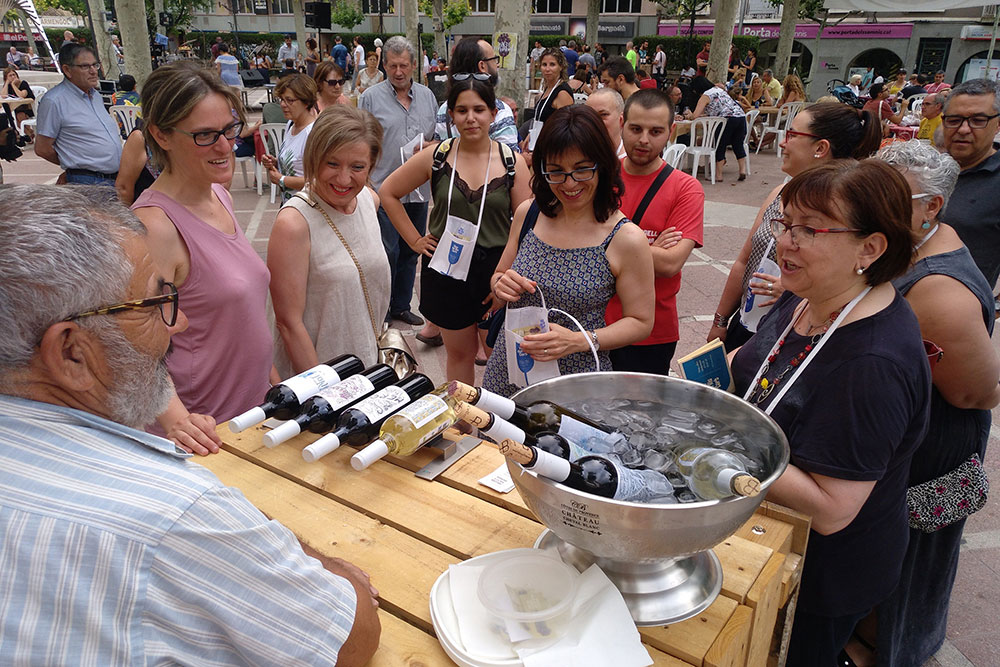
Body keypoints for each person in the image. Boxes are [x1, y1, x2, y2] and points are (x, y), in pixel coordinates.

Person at [0, 184, 381, 666]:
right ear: (72, 353)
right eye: (155, 302)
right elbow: (349, 638)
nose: (178, 324)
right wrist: (315, 560)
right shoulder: (176, 513)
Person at [731, 160, 931, 666]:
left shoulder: (872, 364)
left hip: (821, 574)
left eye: (811, 229)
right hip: (765, 532)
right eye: (786, 223)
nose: (787, 242)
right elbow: (759, 362)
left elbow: (830, 510)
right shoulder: (810, 293)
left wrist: (725, 432)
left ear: (870, 248)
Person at [849, 141, 1000, 667]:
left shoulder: (939, 290)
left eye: (888, 196)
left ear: (931, 207)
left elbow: (976, 392)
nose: (868, 205)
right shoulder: (909, 243)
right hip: (905, 433)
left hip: (931, 446)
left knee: (902, 558)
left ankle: (879, 645)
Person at [133, 61, 273, 454]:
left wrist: (271, 377)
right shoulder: (154, 227)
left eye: (229, 129)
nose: (226, 146)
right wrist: (178, 422)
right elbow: (132, 343)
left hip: (250, 415)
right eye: (205, 135)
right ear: (161, 134)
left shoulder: (219, 195)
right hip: (205, 435)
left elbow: (239, 313)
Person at [483, 105, 655, 396]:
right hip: (510, 368)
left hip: (576, 383)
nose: (570, 183)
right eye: (556, 172)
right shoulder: (529, 214)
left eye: (582, 169)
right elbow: (499, 275)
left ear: (603, 164)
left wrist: (578, 340)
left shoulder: (624, 238)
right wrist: (500, 284)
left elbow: (641, 322)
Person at [381, 77, 531, 384]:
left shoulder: (512, 162)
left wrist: (509, 275)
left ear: (493, 113)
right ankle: (462, 413)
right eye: (462, 110)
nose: (470, 118)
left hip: (496, 272)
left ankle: (500, 413)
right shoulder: (438, 156)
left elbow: (525, 225)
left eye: (479, 109)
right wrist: (415, 240)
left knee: (502, 358)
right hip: (447, 268)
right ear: (451, 115)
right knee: (460, 356)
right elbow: (388, 192)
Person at [708, 102, 883, 349]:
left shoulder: (848, 213)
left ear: (820, 148)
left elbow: (857, 285)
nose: (782, 143)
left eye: (792, 135)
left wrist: (797, 295)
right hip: (747, 325)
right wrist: (721, 320)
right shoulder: (780, 193)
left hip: (793, 335)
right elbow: (745, 261)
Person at [269, 105, 391, 376]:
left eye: (357, 167)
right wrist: (325, 390)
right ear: (314, 158)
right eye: (332, 164)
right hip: (319, 375)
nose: (344, 178)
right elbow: (288, 323)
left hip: (367, 367)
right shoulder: (294, 223)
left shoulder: (369, 201)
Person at [606, 90, 704, 373]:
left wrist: (601, 243)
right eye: (636, 129)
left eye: (656, 131)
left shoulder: (685, 189)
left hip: (651, 333)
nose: (644, 140)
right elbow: (573, 243)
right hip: (594, 321)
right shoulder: (599, 177)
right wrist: (647, 250)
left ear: (671, 131)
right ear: (622, 124)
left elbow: (670, 264)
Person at [359, 35, 438, 327]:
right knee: (386, 252)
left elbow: (439, 138)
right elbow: (361, 140)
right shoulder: (371, 97)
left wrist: (430, 145)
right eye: (392, 66)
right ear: (384, 65)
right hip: (383, 188)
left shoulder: (428, 97)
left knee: (412, 249)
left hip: (418, 190)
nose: (398, 72)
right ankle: (381, 310)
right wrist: (365, 180)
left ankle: (401, 306)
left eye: (403, 65)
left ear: (414, 65)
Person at [939, 78, 1000, 289]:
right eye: (954, 120)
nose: (964, 129)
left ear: (997, 124)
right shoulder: (926, 169)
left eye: (978, 120)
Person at [35, 42, 122, 186]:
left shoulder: (95, 96)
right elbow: (42, 148)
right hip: (87, 182)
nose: (93, 71)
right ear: (67, 70)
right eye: (85, 66)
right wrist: (74, 167)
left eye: (95, 65)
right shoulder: (54, 101)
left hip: (113, 179)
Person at [262, 73, 319, 203]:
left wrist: (282, 180)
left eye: (290, 100)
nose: (283, 104)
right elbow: (297, 164)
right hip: (289, 203)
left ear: (306, 102)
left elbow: (319, 181)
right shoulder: (291, 124)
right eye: (281, 99)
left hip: (306, 206)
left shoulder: (312, 134)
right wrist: (276, 162)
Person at [689, 76, 748, 182]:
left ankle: (719, 176)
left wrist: (688, 115)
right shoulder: (719, 90)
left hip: (726, 120)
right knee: (738, 144)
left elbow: (695, 116)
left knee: (720, 145)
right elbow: (719, 107)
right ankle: (742, 170)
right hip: (740, 116)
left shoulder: (705, 96)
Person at [533, 47, 575, 124]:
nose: (547, 69)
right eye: (544, 64)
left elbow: (566, 125)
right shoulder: (548, 87)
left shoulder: (562, 93)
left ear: (561, 67)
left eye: (552, 65)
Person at [586, 87, 626, 158]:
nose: (595, 121)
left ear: (621, 120)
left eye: (603, 115)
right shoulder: (577, 156)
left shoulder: (632, 161)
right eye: (590, 115)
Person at [2, 66, 34, 142]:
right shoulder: (8, 86)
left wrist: (13, 85)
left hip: (27, 107)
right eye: (10, 76)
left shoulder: (23, 83)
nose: (13, 77)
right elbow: (3, 95)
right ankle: (30, 133)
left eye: (14, 74)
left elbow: (21, 95)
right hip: (16, 107)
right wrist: (7, 83)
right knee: (15, 120)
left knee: (19, 116)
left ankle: (29, 134)